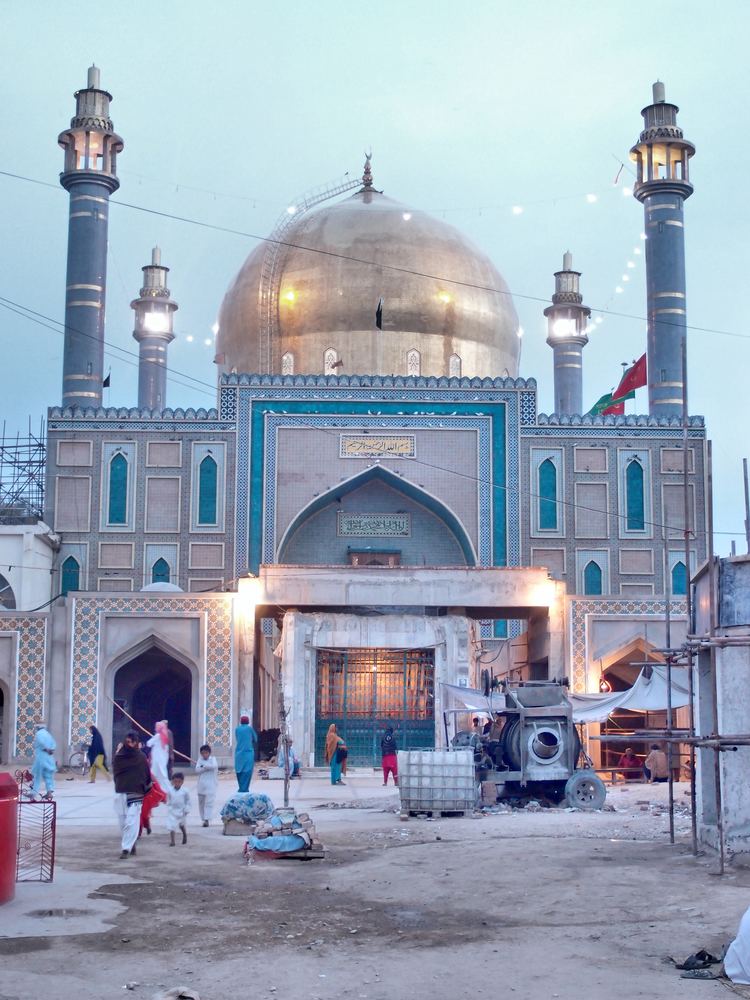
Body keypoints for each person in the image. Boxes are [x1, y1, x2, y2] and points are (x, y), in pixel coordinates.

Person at [113, 731, 151, 859]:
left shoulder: (141, 757)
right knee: (123, 822)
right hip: (121, 791)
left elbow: (146, 774)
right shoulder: (119, 757)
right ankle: (132, 843)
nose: (129, 744)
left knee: (131, 821)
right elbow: (116, 773)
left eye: (132, 742)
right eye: (127, 741)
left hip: (135, 792)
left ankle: (125, 849)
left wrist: (144, 786)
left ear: (136, 743)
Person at [30, 723, 57, 800]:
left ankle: (33, 794)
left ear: (37, 727)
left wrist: (46, 748)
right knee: (48, 776)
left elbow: (41, 742)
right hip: (49, 758)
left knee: (37, 776)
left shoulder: (39, 734)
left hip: (41, 758)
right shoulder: (48, 734)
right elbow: (53, 744)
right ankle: (49, 793)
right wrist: (51, 749)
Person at [195, 743, 219, 826]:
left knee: (209, 803)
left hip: (211, 785)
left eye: (206, 753)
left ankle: (207, 819)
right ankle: (203, 818)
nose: (204, 755)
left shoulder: (213, 759)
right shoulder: (200, 760)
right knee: (201, 803)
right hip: (201, 784)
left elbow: (214, 766)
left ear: (209, 753)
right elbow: (197, 770)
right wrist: (204, 767)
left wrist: (204, 766)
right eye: (202, 753)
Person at [139, 769, 167, 837]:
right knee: (139, 815)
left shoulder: (143, 764)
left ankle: (147, 826)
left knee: (144, 813)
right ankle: (138, 832)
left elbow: (153, 780)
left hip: (146, 794)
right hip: (135, 793)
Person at [234, 715, 258, 792]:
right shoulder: (250, 729)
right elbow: (256, 739)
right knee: (247, 771)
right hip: (248, 753)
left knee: (239, 770)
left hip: (239, 753)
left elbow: (238, 738)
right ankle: (245, 789)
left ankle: (241, 788)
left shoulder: (237, 729)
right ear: (248, 721)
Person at [166, 771, 190, 846]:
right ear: (172, 781)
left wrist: (186, 809)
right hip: (172, 810)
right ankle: (172, 841)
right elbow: (168, 800)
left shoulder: (185, 791)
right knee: (172, 825)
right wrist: (169, 807)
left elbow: (188, 801)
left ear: (182, 782)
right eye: (175, 781)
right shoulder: (170, 790)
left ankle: (184, 835)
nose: (177, 783)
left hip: (182, 811)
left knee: (181, 825)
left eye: (179, 781)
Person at [146, 720, 170, 790]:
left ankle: (166, 790)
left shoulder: (158, 736)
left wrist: (153, 738)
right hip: (161, 760)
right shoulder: (165, 736)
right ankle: (160, 790)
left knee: (159, 775)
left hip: (157, 760)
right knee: (159, 776)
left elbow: (148, 743)